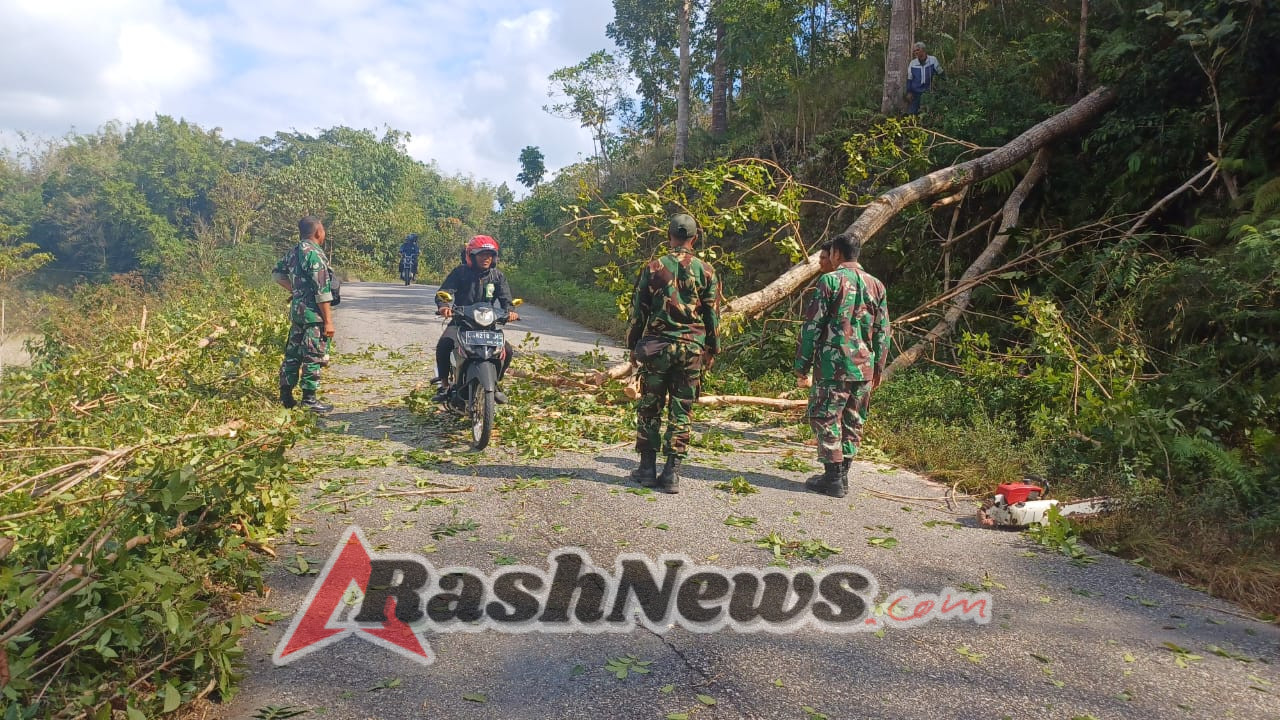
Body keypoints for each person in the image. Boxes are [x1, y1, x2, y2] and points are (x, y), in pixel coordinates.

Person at [626, 213, 721, 494]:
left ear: (669, 236)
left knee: (650, 407)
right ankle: (671, 473)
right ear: (694, 238)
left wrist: (633, 346)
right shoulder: (707, 271)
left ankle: (646, 469)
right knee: (682, 409)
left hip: (657, 348)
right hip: (691, 349)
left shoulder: (654, 267)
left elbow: (638, 310)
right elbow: (713, 316)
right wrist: (712, 349)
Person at [794, 232, 890, 497]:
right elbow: (883, 331)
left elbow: (813, 327)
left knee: (825, 416)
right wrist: (879, 368)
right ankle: (843, 474)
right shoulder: (877, 285)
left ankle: (834, 477)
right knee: (853, 419)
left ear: (836, 253)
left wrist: (802, 364)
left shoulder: (829, 281)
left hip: (833, 365)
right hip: (864, 366)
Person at [433, 235, 519, 403]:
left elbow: (506, 300)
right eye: (481, 254)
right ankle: (444, 385)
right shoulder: (460, 272)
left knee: (506, 350)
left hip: (487, 325)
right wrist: (444, 306)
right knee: (444, 344)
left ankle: (496, 384)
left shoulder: (497, 276)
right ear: (471, 256)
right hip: (461, 322)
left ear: (494, 257)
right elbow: (445, 291)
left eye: (489, 254)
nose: (486, 258)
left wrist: (510, 311)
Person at [274, 215, 337, 413]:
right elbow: (322, 291)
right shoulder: (315, 255)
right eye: (323, 229)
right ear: (318, 232)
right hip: (313, 315)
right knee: (313, 355)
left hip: (298, 314)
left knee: (293, 353)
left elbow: (277, 273)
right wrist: (328, 321)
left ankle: (286, 395)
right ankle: (309, 399)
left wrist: (295, 290)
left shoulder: (294, 252)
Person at [906, 41, 943, 115]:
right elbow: (909, 79)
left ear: (923, 50)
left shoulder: (932, 60)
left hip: (928, 91)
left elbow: (940, 73)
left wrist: (944, 86)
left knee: (929, 113)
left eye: (917, 50)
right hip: (915, 92)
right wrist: (909, 92)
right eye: (914, 51)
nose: (915, 52)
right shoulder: (913, 63)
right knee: (911, 114)